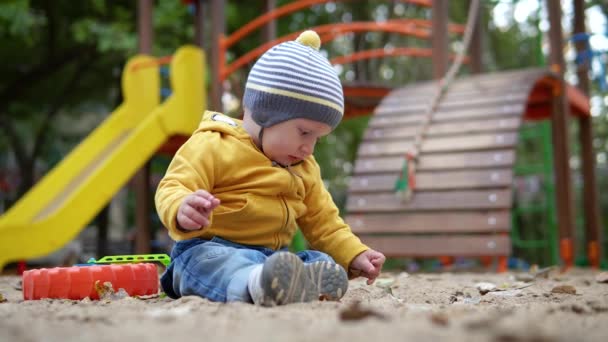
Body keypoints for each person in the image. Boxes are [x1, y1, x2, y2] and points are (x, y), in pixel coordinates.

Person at [155, 30, 385, 306]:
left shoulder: (304, 168)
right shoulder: (214, 144)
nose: (309, 148)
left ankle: (288, 280)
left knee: (318, 260)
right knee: (210, 263)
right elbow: (173, 185)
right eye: (303, 133)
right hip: (208, 249)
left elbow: (325, 223)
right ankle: (256, 282)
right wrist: (182, 208)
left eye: (317, 138)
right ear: (267, 113)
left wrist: (354, 254)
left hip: (271, 258)